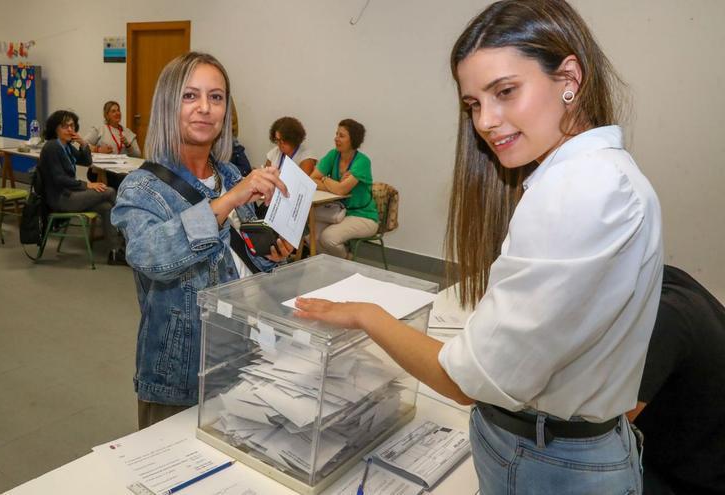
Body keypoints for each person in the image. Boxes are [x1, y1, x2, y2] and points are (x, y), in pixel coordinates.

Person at [295, 1, 662, 494]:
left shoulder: (585, 189)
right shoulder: (583, 177)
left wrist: (366, 315)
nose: (486, 121)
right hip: (544, 447)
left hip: (549, 461)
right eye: (473, 104)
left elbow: (467, 380)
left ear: (569, 77)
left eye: (505, 91)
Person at [110, 52, 294, 429]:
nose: (205, 108)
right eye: (190, 96)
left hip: (242, 360)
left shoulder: (228, 172)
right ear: (167, 105)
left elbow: (236, 260)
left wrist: (269, 255)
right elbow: (150, 257)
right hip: (180, 374)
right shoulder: (141, 188)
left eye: (216, 97)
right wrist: (227, 201)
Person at [627, 265, 725, 495]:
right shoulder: (659, 279)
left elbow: (601, 430)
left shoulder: (667, 314)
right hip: (676, 464)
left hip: (693, 483)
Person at [37, 110, 125, 265]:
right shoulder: (52, 147)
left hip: (71, 194)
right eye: (65, 126)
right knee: (109, 191)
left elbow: (86, 161)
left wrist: (84, 144)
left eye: (72, 126)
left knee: (105, 207)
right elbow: (59, 179)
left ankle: (115, 251)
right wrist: (87, 185)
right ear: (55, 128)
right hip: (61, 198)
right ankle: (129, 237)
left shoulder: (67, 146)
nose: (70, 129)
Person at [309, 119, 378, 258]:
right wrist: (333, 183)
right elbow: (312, 179)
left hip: (363, 215)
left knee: (328, 238)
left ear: (353, 140)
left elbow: (341, 191)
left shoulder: (362, 161)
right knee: (312, 239)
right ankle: (331, 268)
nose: (336, 139)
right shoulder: (333, 155)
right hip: (338, 211)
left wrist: (325, 179)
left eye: (341, 136)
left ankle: (346, 261)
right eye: (336, 134)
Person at [84, 101, 141, 191]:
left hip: (122, 170)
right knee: (126, 182)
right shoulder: (100, 129)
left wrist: (128, 145)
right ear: (107, 115)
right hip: (101, 171)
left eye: (118, 110)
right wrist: (98, 149)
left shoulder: (128, 132)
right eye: (113, 111)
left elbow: (137, 155)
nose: (117, 113)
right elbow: (83, 145)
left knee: (137, 181)